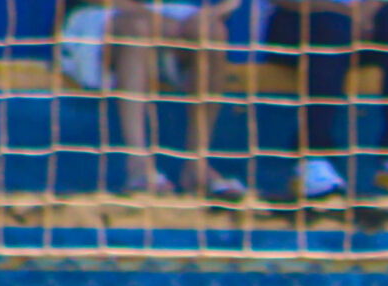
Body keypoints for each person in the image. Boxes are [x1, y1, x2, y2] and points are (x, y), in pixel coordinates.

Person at [58, 0, 248, 196]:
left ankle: (197, 164)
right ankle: (138, 163)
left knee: (211, 32)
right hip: (102, 12)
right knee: (137, 27)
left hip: (171, 14)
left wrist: (215, 13)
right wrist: (158, 21)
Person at [259, 0, 388, 201]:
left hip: (362, 23)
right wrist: (346, 13)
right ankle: (311, 157)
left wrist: (365, 12)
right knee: (333, 25)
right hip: (298, 22)